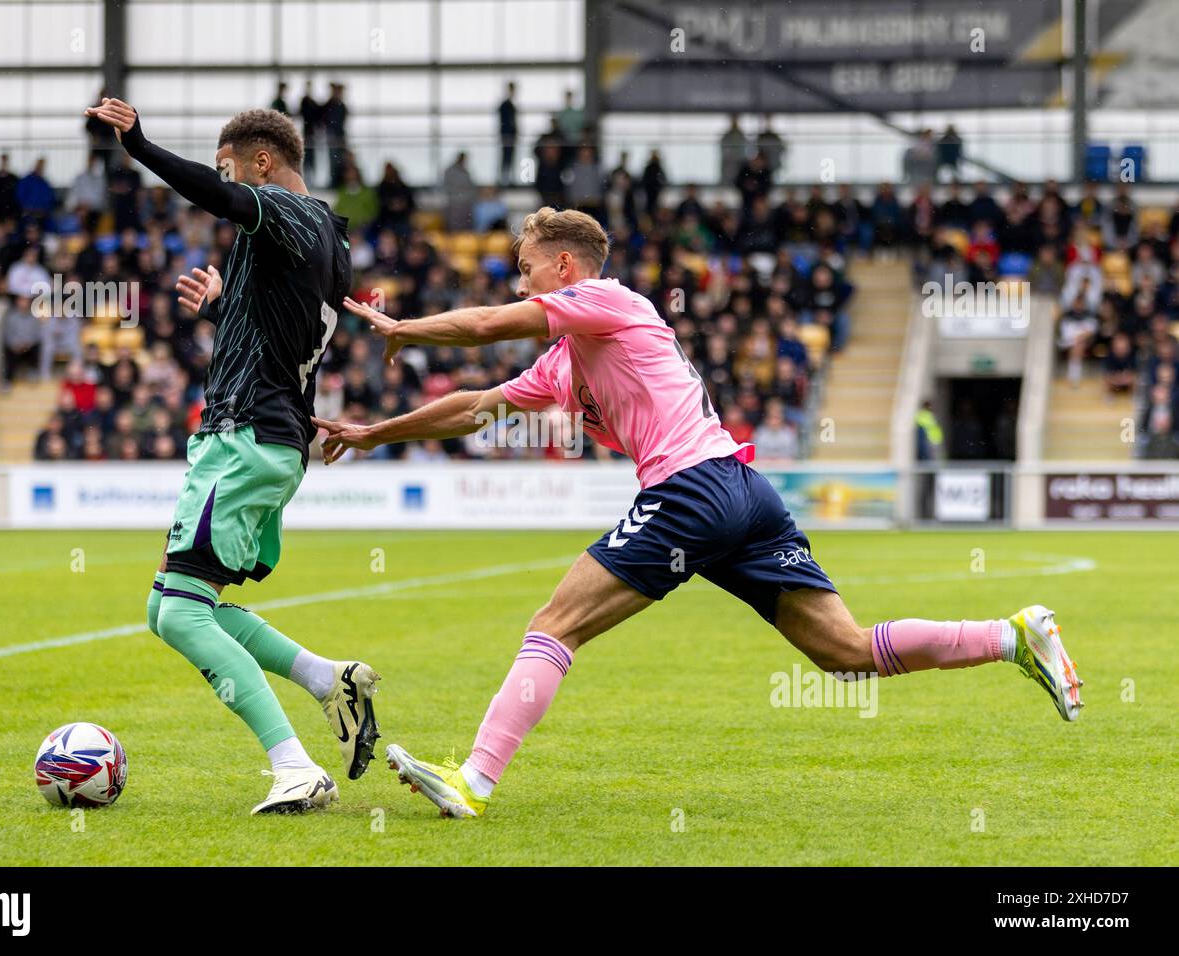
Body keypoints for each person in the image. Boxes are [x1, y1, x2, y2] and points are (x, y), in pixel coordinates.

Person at [313, 207, 1084, 819]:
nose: (521, 286)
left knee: (556, 624)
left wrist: (406, 326)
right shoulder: (564, 358)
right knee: (844, 652)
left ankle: (475, 780)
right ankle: (1012, 635)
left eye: (526, 271)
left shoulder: (607, 300)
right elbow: (476, 407)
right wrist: (376, 432)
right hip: (742, 494)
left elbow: (485, 328)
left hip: (691, 490)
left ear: (565, 267)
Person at [84, 96, 381, 815]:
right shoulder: (327, 238)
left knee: (184, 614)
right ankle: (324, 678)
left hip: (246, 437)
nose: (229, 184)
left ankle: (295, 767)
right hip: (261, 436)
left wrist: (141, 146)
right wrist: (227, 304)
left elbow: (216, 193)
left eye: (234, 170)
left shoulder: (289, 211)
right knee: (171, 607)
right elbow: (282, 333)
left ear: (263, 164)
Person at [323, 82, 349, 188]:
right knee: (334, 160)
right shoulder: (332, 104)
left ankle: (338, 180)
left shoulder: (339, 105)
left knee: (339, 160)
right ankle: (335, 181)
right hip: (334, 136)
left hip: (338, 136)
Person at [298, 80, 321, 185]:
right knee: (308, 155)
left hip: (310, 132)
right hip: (308, 132)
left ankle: (310, 176)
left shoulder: (309, 102)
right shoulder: (307, 102)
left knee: (310, 155)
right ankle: (309, 176)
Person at [719, 113, 749, 186]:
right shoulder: (727, 135)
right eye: (733, 119)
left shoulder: (741, 135)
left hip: (739, 164)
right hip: (729, 164)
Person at [498, 81, 518, 186]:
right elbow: (505, 122)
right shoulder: (506, 105)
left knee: (508, 157)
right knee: (507, 157)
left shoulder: (509, 104)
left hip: (510, 135)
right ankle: (505, 180)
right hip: (507, 135)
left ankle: (507, 179)